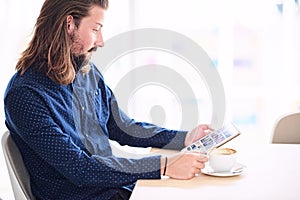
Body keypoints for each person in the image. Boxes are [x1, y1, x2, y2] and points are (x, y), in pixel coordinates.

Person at [4, 0, 212, 199]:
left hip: (116, 188)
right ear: (69, 24)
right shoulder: (25, 95)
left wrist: (184, 139)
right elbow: (80, 168)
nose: (101, 41)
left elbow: (121, 126)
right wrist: (165, 166)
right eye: (95, 29)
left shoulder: (86, 72)